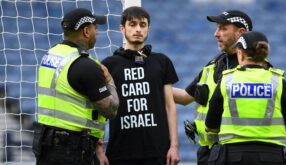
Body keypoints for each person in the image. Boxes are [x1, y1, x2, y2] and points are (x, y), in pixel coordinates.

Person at [33, 8, 119, 165]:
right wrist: (110, 81)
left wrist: (98, 148)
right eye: (95, 28)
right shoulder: (87, 66)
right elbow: (110, 109)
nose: (97, 33)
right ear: (86, 31)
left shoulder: (50, 55)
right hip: (72, 151)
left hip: (45, 145)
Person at [173, 10, 257, 165]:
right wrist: (153, 83)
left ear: (241, 33)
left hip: (236, 154)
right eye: (217, 28)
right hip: (209, 153)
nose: (216, 34)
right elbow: (185, 97)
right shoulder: (214, 63)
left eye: (223, 28)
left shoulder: (254, 69)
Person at [205, 31, 286, 165]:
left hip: (233, 155)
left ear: (241, 53)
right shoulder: (277, 81)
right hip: (271, 156)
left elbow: (210, 127)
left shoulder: (227, 80)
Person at [101, 6, 180, 165]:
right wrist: (99, 149)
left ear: (148, 29)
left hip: (158, 152)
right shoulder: (109, 65)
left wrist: (174, 146)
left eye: (142, 25)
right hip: (119, 153)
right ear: (122, 28)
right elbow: (101, 109)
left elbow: (170, 106)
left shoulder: (162, 62)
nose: (138, 29)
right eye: (132, 24)